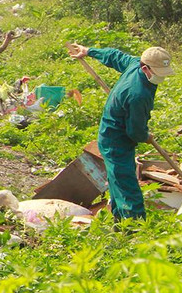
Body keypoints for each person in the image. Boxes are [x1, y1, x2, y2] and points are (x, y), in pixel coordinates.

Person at [66, 43, 175, 220]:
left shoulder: (134, 65)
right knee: (126, 185)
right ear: (145, 67)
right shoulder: (138, 94)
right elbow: (135, 132)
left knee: (119, 182)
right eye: (157, 73)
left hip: (115, 134)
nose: (160, 78)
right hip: (116, 140)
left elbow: (114, 56)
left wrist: (89, 51)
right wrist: (145, 136)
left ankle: (119, 222)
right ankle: (135, 228)